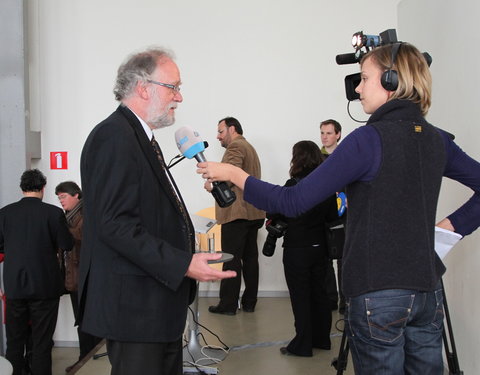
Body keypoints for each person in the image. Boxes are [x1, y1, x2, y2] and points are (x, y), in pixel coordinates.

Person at [197, 42, 480, 374]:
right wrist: (452, 227)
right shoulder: (437, 140)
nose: (357, 88)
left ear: (391, 81)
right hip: (427, 292)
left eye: (364, 78)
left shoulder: (367, 140)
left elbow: (293, 201)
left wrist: (235, 175)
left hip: (378, 295)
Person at [79, 47, 236, 375]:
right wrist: (183, 263)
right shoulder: (114, 137)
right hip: (135, 311)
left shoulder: (138, 136)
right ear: (143, 88)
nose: (179, 97)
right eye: (173, 87)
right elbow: (114, 224)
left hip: (153, 307)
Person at [0, 169, 73, 375]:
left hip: (14, 287)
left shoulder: (4, 213)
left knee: (14, 343)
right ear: (43, 188)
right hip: (45, 287)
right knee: (42, 343)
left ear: (22, 188)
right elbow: (66, 244)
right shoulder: (53, 213)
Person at [271, 140, 338, 357]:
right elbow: (332, 217)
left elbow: (280, 213)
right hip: (319, 247)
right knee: (320, 294)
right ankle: (322, 340)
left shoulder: (293, 185)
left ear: (297, 158)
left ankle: (302, 345)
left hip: (297, 248)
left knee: (300, 297)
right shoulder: (327, 185)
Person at [206, 117, 265, 315]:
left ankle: (228, 304)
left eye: (221, 131)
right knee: (250, 259)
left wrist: (212, 185)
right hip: (253, 212)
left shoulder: (235, 148)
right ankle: (249, 302)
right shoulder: (249, 147)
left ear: (232, 129)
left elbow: (230, 173)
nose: (218, 136)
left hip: (237, 213)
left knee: (231, 259)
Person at [55, 181, 102, 372]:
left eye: (63, 196)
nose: (61, 201)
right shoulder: (69, 217)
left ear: (76, 195)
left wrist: (61, 231)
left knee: (89, 321)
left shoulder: (86, 215)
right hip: (76, 277)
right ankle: (84, 358)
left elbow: (88, 239)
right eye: (59, 197)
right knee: (82, 321)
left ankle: (89, 359)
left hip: (88, 278)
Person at [320, 118, 346, 314]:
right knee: (325, 259)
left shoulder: (347, 156)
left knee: (343, 258)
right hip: (323, 213)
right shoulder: (317, 158)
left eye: (329, 133)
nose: (325, 137)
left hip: (343, 214)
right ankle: (329, 299)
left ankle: (345, 301)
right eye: (322, 132)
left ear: (338, 134)